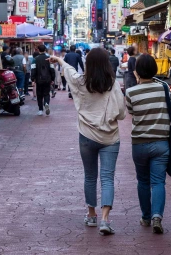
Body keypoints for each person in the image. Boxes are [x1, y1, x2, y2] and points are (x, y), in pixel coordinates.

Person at [48, 47, 127, 236]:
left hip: (86, 135)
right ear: (107, 64)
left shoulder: (81, 82)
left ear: (88, 64)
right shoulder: (113, 84)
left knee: (90, 176)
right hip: (110, 137)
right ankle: (105, 220)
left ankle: (91, 215)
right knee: (107, 178)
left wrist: (59, 60)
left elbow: (71, 73)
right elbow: (122, 113)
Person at [125, 55, 170, 234]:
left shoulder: (131, 92)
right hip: (161, 142)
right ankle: (157, 216)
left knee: (143, 181)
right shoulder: (164, 88)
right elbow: (170, 109)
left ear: (137, 71)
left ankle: (145, 217)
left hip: (140, 143)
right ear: (155, 69)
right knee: (158, 181)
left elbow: (131, 112)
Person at [32, 45, 54, 116]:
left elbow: (33, 70)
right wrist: (53, 78)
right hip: (47, 79)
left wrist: (33, 79)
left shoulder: (35, 59)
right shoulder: (49, 58)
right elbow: (52, 69)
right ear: (45, 50)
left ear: (38, 50)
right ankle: (46, 103)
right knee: (46, 93)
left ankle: (40, 110)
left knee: (39, 94)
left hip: (39, 79)